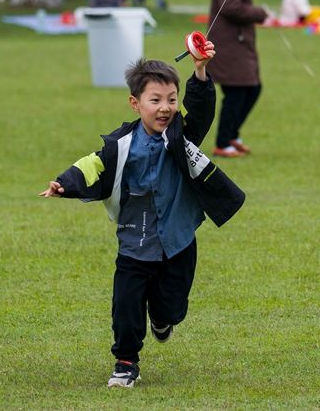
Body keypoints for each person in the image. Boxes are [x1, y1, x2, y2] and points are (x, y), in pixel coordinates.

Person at [39, 50, 246, 389]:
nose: (165, 107)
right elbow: (93, 165)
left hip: (177, 241)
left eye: (171, 100)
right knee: (126, 306)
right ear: (135, 103)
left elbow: (203, 111)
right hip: (135, 242)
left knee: (171, 308)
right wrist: (65, 183)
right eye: (155, 100)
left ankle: (162, 320)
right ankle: (125, 362)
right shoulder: (121, 145)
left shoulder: (181, 137)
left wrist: (200, 71)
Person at [206, 0, 269, 158]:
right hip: (230, 43)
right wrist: (259, 13)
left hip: (236, 42)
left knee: (251, 88)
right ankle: (223, 142)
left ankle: (232, 135)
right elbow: (230, 6)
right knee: (238, 91)